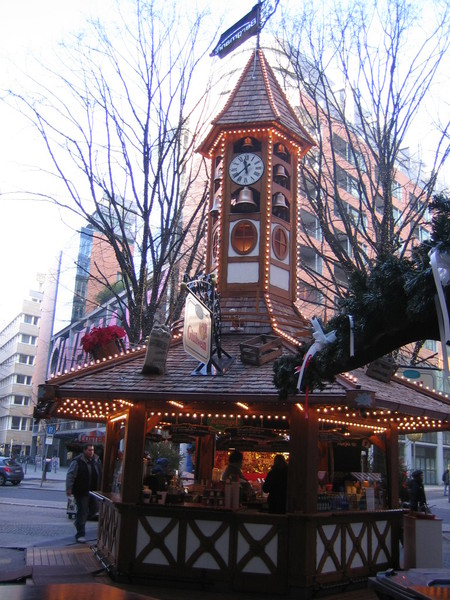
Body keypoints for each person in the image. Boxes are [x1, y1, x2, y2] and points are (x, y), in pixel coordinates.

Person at [66, 444, 103, 543]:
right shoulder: (78, 461)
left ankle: (78, 522)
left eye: (92, 450)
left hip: (94, 491)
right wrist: (69, 488)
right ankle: (80, 533)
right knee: (82, 511)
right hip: (82, 491)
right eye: (89, 450)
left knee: (94, 509)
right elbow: (70, 475)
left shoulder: (96, 461)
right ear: (84, 450)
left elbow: (100, 473)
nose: (91, 452)